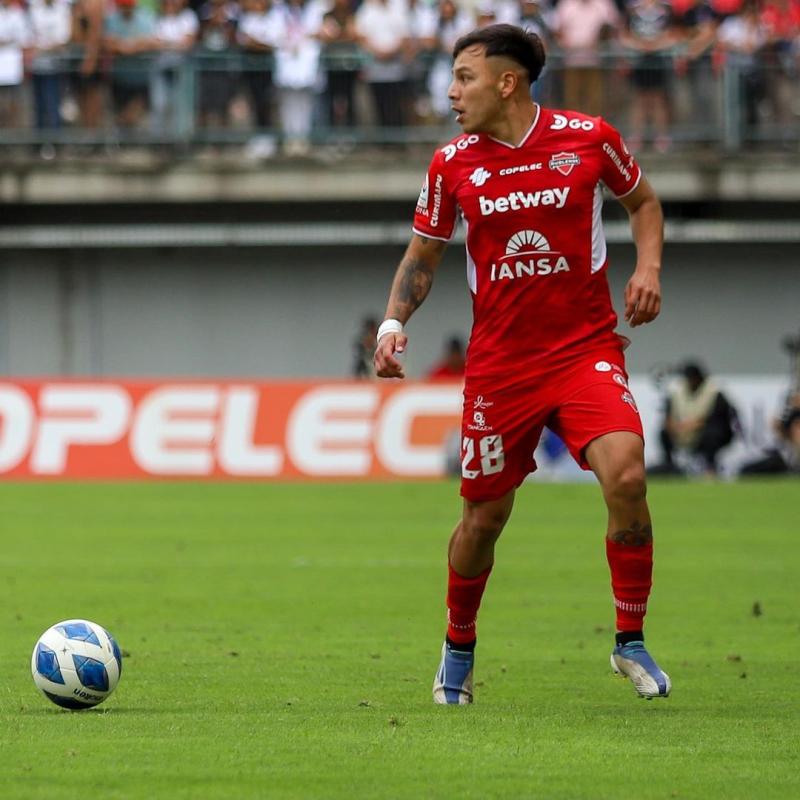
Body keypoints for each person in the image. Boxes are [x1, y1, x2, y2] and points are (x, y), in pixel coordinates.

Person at [374, 24, 670, 704]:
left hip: (583, 350)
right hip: (502, 366)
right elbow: (423, 256)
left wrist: (647, 268)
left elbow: (644, 203)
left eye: (464, 79)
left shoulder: (589, 137)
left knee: (626, 473)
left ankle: (629, 641)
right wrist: (394, 323)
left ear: (507, 82)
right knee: (484, 519)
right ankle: (458, 645)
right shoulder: (452, 164)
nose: (451, 93)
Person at [651, 361, 737, 476]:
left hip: (706, 433)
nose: (689, 381)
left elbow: (720, 419)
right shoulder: (677, 391)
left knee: (712, 434)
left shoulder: (714, 392)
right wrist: (673, 426)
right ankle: (669, 465)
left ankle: (710, 467)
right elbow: (668, 415)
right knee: (664, 433)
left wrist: (693, 425)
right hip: (682, 431)